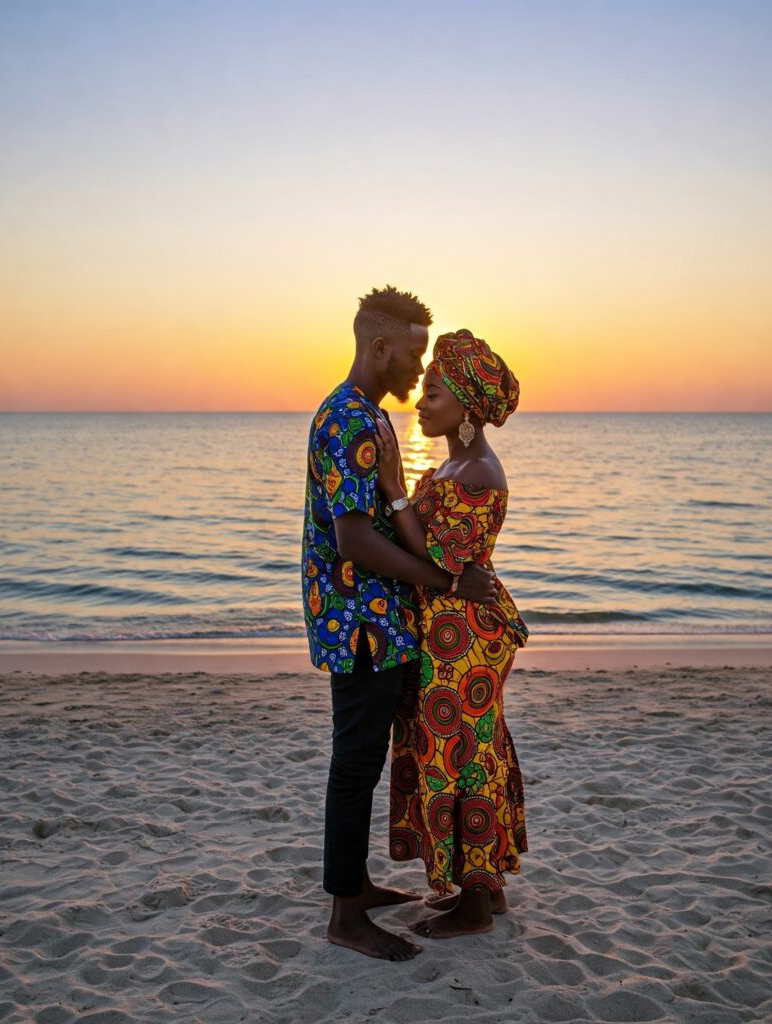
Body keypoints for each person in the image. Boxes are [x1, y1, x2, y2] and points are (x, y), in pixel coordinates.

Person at [301, 288, 499, 961]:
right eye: (414, 355)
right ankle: (344, 915)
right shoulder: (353, 422)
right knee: (355, 764)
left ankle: (355, 888)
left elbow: (385, 519)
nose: (419, 372)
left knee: (364, 759)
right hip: (362, 622)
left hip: (378, 622)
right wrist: (447, 582)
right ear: (379, 347)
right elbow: (355, 541)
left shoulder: (364, 416)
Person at [373, 328, 529, 939]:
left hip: (465, 637)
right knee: (463, 752)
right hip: (452, 631)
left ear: (466, 404)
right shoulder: (460, 463)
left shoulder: (477, 473)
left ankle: (476, 901)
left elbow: (439, 563)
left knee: (465, 758)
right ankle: (482, 891)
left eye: (435, 393)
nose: (422, 402)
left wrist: (391, 486)